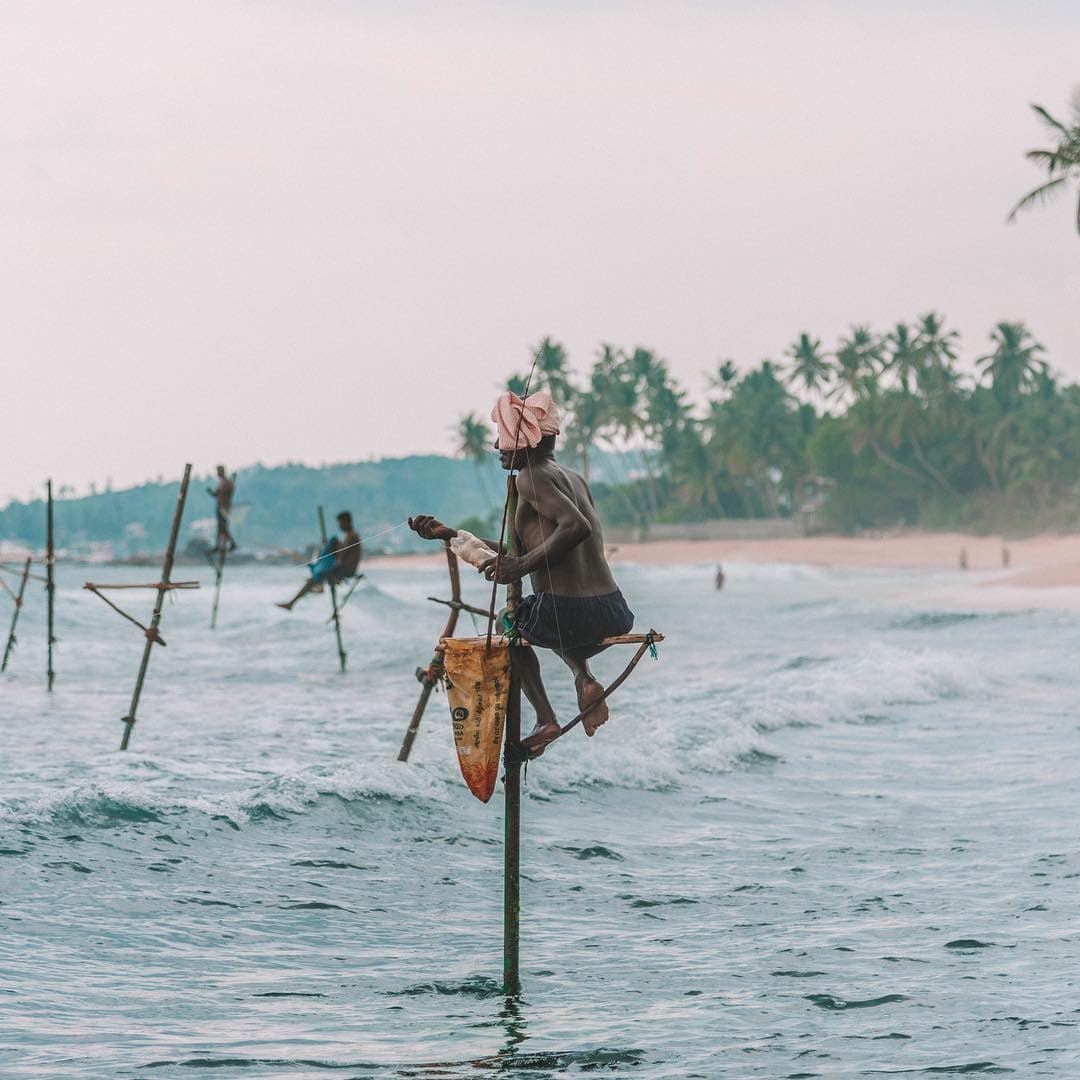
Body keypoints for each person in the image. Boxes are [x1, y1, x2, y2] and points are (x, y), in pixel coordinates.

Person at [409, 389, 634, 755]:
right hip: (611, 611)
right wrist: (450, 535)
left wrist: (521, 567)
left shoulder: (531, 477)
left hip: (569, 612)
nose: (498, 446)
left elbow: (575, 527)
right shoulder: (573, 478)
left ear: (526, 439)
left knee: (508, 625)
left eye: (505, 438)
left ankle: (546, 719)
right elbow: (518, 550)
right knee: (542, 619)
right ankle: (584, 678)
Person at [276, 511, 362, 610]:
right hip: (343, 568)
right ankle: (314, 585)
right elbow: (342, 553)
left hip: (346, 570)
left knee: (332, 542)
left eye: (341, 523)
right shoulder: (350, 536)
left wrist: (332, 546)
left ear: (347, 522)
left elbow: (342, 555)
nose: (340, 526)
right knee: (314, 578)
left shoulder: (352, 536)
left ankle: (294, 601)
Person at [208, 466, 237, 553]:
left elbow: (230, 491)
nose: (217, 473)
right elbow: (216, 494)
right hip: (220, 506)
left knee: (223, 527)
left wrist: (222, 494)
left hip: (225, 508)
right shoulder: (221, 483)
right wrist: (211, 492)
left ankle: (232, 543)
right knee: (220, 528)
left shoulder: (227, 482)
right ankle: (218, 545)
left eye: (218, 471)